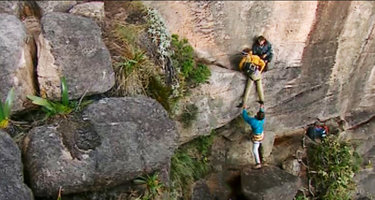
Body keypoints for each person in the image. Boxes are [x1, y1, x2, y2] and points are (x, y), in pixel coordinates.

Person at [242, 104, 265, 169]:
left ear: (257, 116)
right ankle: (259, 145)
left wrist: (244, 109)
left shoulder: (253, 121)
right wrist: (261, 108)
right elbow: (261, 114)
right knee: (257, 141)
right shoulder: (262, 119)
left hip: (257, 137)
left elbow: (245, 117)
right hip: (261, 134)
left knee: (255, 150)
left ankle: (258, 163)